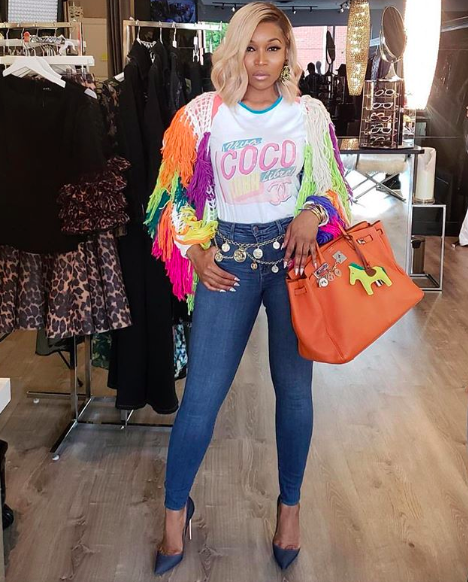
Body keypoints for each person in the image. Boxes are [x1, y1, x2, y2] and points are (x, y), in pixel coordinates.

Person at [145, 2, 352, 575]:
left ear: (288, 54)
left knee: (295, 392)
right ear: (233, 52)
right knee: (201, 398)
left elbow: (335, 189)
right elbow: (170, 196)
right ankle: (174, 514)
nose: (260, 61)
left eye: (273, 48)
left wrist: (312, 210)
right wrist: (194, 249)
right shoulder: (202, 116)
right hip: (227, 264)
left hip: (292, 264)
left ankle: (290, 509)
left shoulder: (308, 115)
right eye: (250, 48)